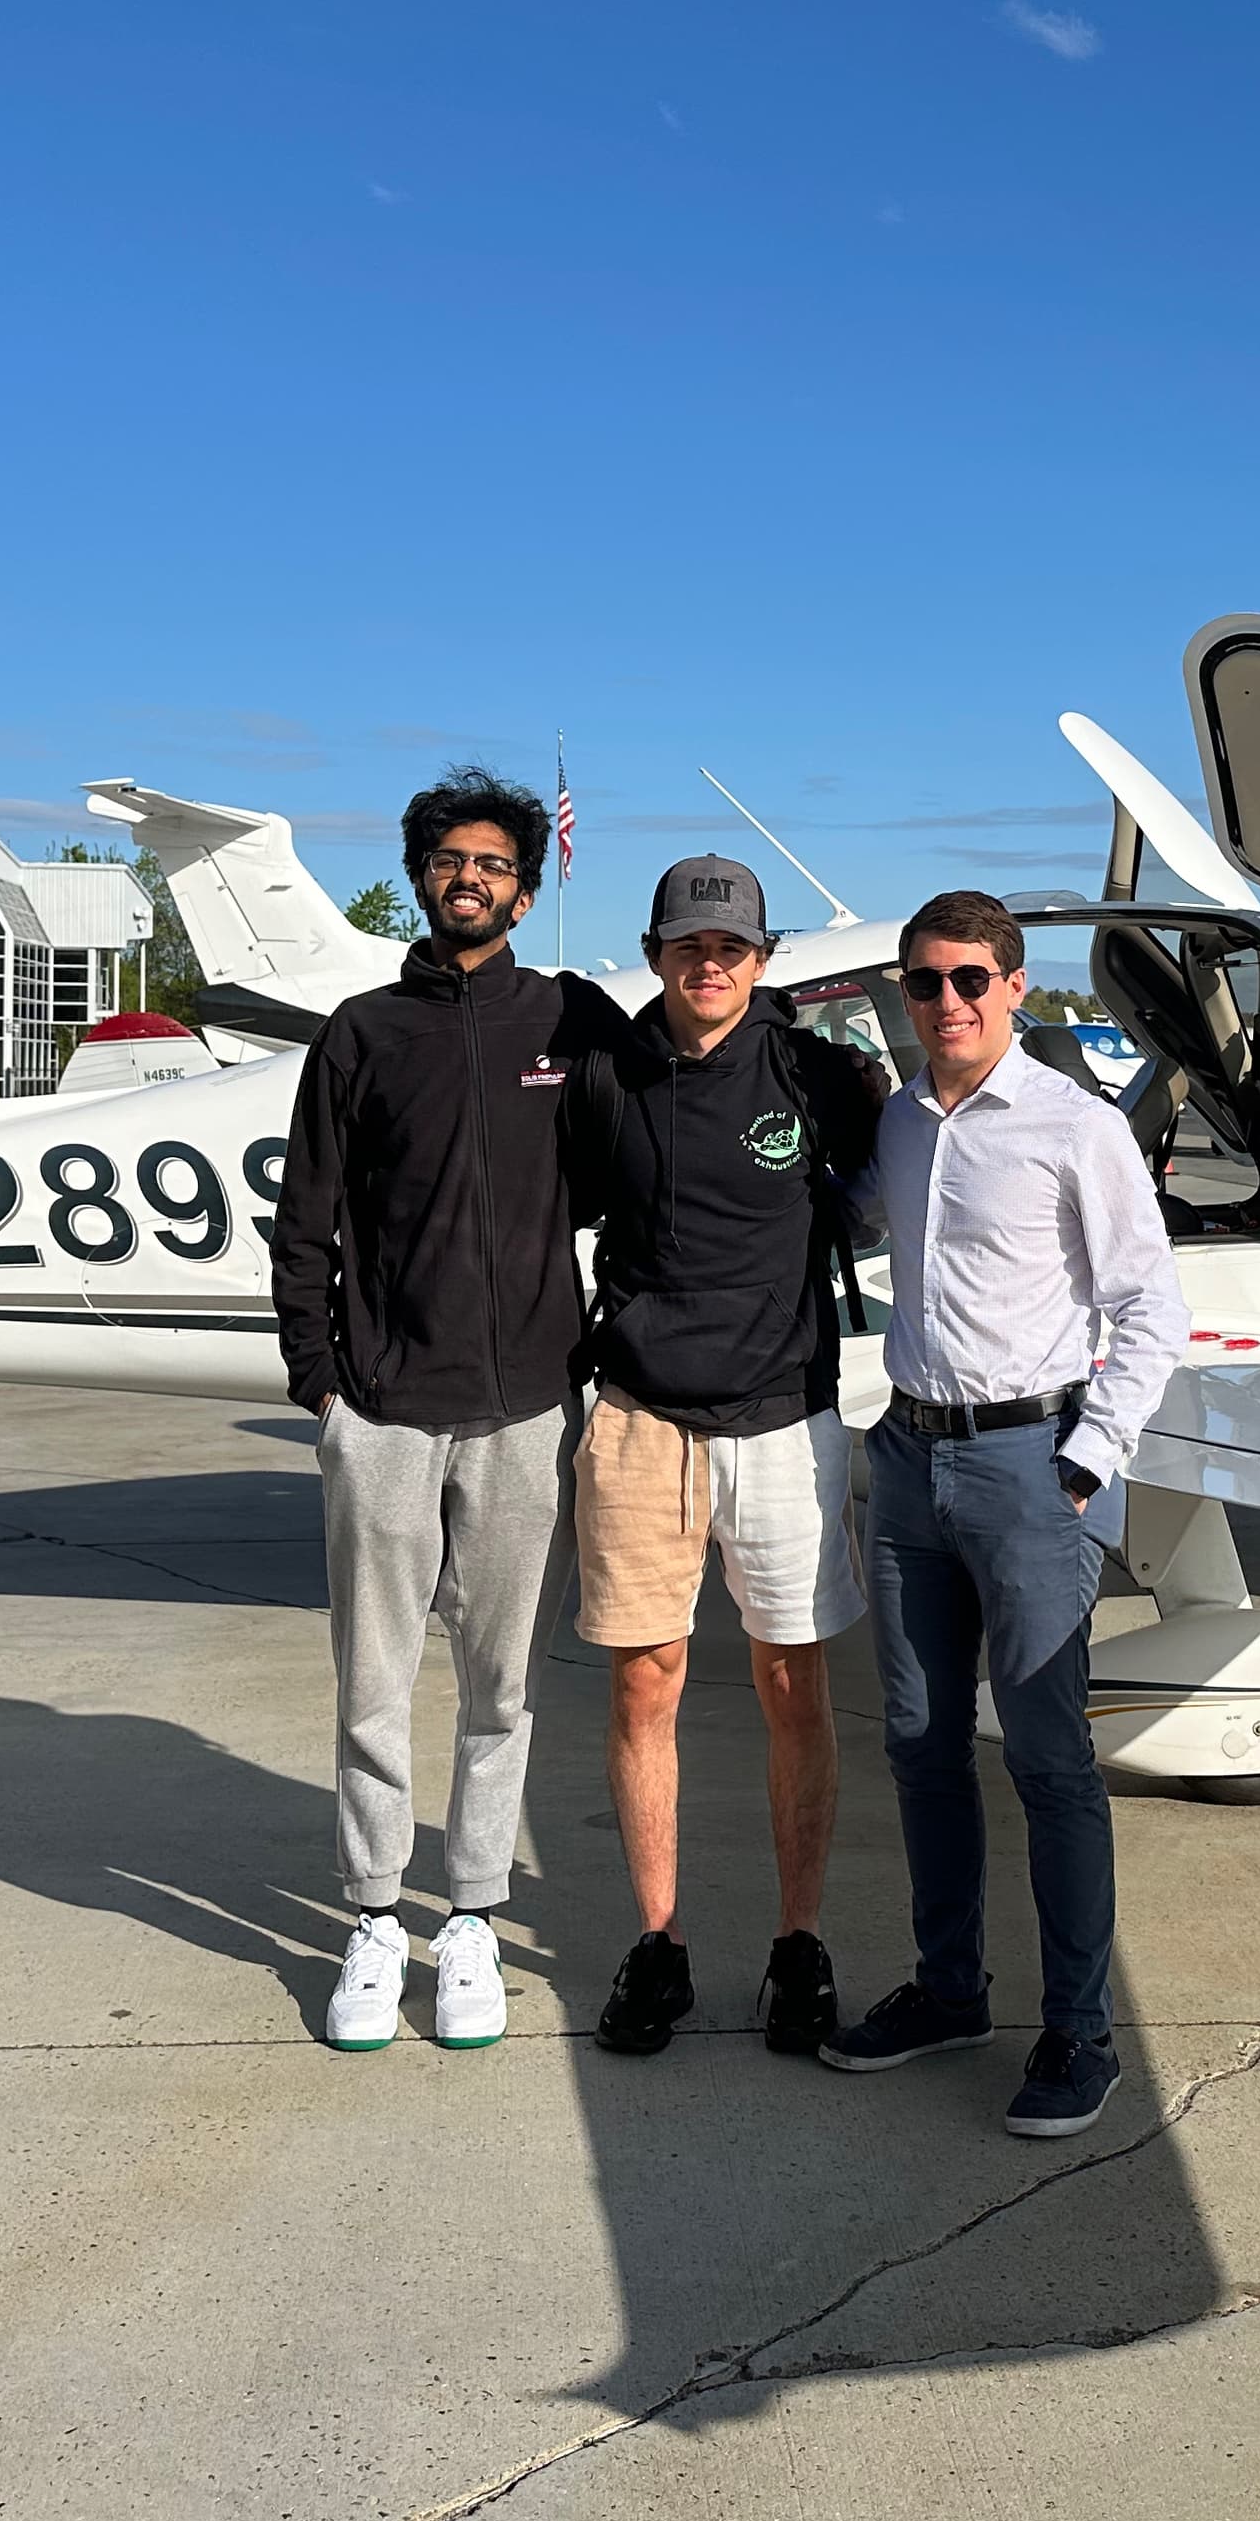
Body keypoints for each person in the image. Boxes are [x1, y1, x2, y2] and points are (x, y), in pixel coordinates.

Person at [821, 889, 1187, 2138]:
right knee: (920, 1744)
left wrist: (1086, 1460)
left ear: (1017, 988)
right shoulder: (905, 1123)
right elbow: (854, 1214)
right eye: (924, 983)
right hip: (912, 1460)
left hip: (1030, 1462)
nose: (948, 1003)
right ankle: (950, 1990)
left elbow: (1150, 1309)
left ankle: (1082, 2032)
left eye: (970, 979)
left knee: (1046, 1758)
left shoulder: (1075, 1127)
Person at [268, 766, 618, 2054]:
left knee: (502, 1683)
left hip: (525, 1402)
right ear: (423, 874)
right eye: (449, 859)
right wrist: (323, 1383)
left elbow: (650, 1152)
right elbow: (304, 1221)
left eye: (493, 863)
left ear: (526, 886)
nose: (469, 878)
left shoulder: (570, 1021)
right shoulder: (362, 1032)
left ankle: (468, 1913)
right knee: (372, 1681)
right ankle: (372, 1916)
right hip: (385, 1404)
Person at [564, 856, 885, 2062]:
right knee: (644, 1680)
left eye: (733, 947)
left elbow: (896, 1185)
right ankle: (661, 1943)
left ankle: (799, 1941)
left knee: (792, 1683)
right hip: (643, 1411)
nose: (712, 965)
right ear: (654, 953)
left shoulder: (817, 1072)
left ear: (762, 957)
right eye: (689, 946)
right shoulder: (606, 1071)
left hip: (782, 1414)